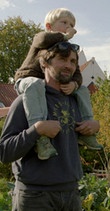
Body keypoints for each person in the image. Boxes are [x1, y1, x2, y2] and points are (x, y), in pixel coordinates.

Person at [0, 41, 99, 210]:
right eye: (62, 59)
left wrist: (94, 126)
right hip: (35, 197)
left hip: (71, 193)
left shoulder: (75, 101)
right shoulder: (26, 101)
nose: (69, 66)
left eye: (73, 62)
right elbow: (4, 152)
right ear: (44, 63)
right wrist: (36, 130)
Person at [14, 8, 103, 160]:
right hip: (28, 81)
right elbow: (43, 40)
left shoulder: (67, 49)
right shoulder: (41, 38)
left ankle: (86, 129)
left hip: (47, 86)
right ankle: (41, 137)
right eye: (64, 23)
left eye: (72, 24)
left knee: (82, 89)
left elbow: (77, 75)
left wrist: (74, 85)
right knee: (35, 84)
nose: (69, 27)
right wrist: (65, 36)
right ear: (49, 26)